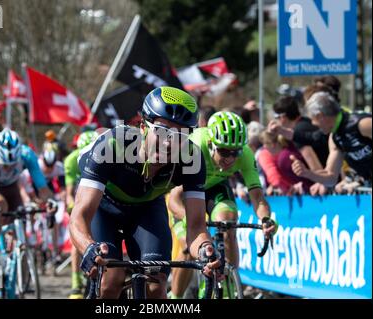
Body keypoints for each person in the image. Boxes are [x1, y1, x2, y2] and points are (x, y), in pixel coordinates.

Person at [69, 86, 222, 299]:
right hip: (103, 208)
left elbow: (196, 227)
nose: (170, 142)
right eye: (161, 131)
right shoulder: (112, 145)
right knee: (110, 282)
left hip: (146, 209)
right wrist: (87, 248)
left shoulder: (192, 159)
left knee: (156, 285)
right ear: (143, 126)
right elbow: (80, 216)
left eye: (181, 135)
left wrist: (207, 251)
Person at [167, 111, 277, 299]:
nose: (231, 159)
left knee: (228, 225)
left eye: (236, 153)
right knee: (188, 245)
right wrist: (192, 222)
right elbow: (173, 199)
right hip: (185, 192)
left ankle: (228, 288)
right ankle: (175, 298)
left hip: (215, 187)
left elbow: (257, 196)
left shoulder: (246, 154)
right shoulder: (194, 147)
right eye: (225, 152)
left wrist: (266, 220)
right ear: (211, 144)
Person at [0, 128, 57, 279]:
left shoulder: (27, 155)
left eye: (12, 164)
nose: (8, 168)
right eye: (4, 164)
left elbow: (42, 188)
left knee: (18, 218)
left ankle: (11, 258)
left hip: (11, 187)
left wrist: (50, 201)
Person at [290, 92, 372, 187]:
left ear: (320, 116)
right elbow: (331, 179)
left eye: (312, 119)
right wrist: (307, 173)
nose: (313, 123)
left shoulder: (363, 124)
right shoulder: (334, 139)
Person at [63, 129, 99, 299]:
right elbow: (69, 191)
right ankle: (76, 281)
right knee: (77, 238)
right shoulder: (71, 160)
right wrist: (72, 205)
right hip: (79, 197)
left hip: (98, 198)